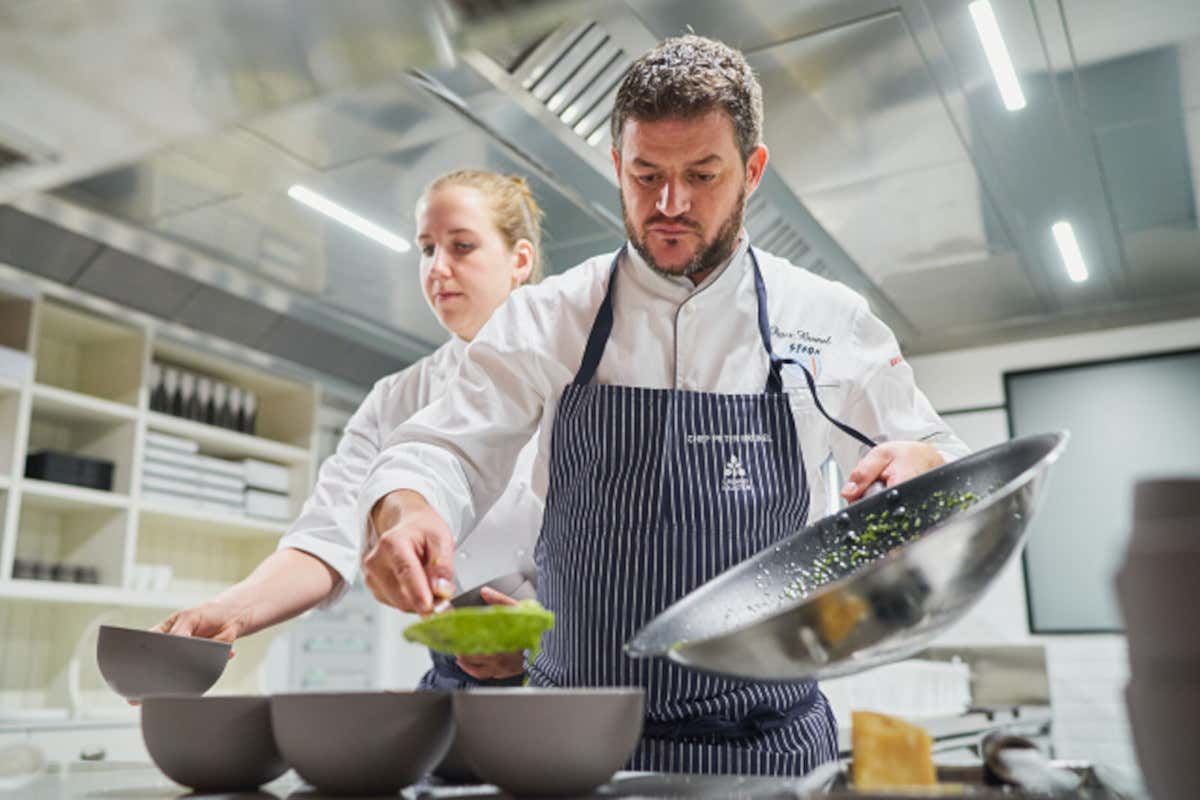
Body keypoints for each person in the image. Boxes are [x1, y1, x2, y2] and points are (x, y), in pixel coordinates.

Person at [357, 35, 970, 775]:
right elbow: (445, 446)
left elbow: (941, 459)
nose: (669, 204)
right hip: (574, 747)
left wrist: (926, 467)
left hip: (766, 749)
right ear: (616, 165)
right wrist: (409, 503)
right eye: (646, 175)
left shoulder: (829, 320)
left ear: (752, 170)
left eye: (702, 175)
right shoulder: (552, 317)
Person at [155, 168, 545, 689]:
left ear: (519, 260)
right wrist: (231, 611)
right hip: (456, 675)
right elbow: (327, 536)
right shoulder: (397, 397)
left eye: (462, 246)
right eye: (427, 249)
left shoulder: (576, 376)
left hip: (576, 667)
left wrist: (550, 635)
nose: (438, 269)